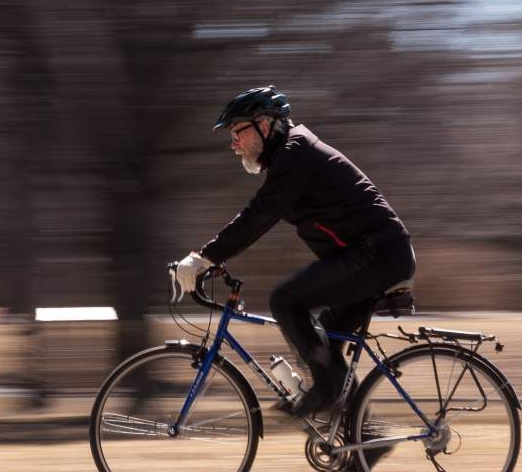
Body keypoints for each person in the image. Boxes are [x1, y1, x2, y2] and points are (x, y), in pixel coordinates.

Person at [174, 86, 416, 422]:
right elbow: (261, 215)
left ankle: (327, 394)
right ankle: (366, 438)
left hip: (377, 253)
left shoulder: (296, 152)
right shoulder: (291, 156)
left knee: (286, 300)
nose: (233, 145)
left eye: (237, 132)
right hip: (374, 254)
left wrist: (206, 257)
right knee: (326, 344)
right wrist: (212, 259)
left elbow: (260, 214)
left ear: (264, 124)